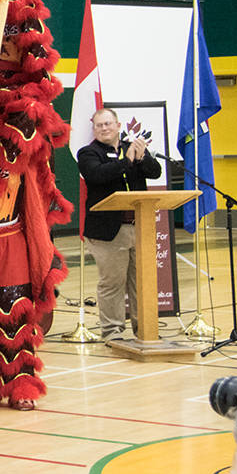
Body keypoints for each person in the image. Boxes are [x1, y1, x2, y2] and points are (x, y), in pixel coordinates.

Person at [77, 107, 162, 342]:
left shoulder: (130, 148)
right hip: (108, 231)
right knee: (112, 283)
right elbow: (97, 175)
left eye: (108, 124)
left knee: (141, 283)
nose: (104, 128)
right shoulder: (88, 153)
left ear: (118, 125)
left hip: (139, 226)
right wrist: (127, 161)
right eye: (99, 125)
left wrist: (142, 157)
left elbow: (155, 172)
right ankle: (113, 332)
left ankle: (145, 329)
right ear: (94, 130)